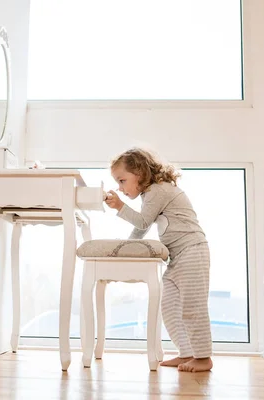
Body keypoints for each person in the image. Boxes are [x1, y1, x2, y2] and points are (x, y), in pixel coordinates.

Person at [104, 147, 213, 372]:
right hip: (178, 256)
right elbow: (141, 228)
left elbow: (143, 222)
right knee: (170, 307)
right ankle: (187, 353)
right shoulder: (150, 195)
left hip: (193, 251)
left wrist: (120, 207)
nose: (120, 187)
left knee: (193, 307)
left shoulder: (159, 190)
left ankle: (203, 357)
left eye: (122, 180)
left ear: (140, 173)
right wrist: (126, 249)